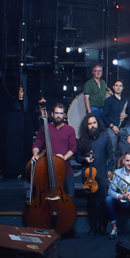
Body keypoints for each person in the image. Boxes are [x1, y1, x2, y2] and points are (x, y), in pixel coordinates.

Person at [31, 102, 78, 238]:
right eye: (56, 113)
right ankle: (47, 226)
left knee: (70, 201)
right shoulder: (44, 128)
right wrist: (35, 153)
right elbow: (38, 143)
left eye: (61, 113)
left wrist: (62, 158)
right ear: (52, 114)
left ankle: (69, 228)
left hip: (66, 171)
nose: (58, 116)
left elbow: (73, 148)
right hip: (48, 171)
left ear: (64, 115)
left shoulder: (70, 129)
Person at [76, 114, 113, 236]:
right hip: (89, 176)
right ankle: (93, 227)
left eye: (94, 123)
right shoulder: (82, 139)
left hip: (102, 174)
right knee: (91, 202)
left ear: (98, 123)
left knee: (104, 201)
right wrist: (85, 159)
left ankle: (102, 226)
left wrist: (110, 171)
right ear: (86, 126)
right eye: (90, 123)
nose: (92, 126)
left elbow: (110, 155)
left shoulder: (105, 136)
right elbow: (78, 157)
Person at [103, 79, 130, 159]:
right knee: (112, 151)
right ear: (113, 87)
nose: (118, 87)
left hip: (122, 128)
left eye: (120, 86)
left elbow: (129, 114)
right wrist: (112, 126)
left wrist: (125, 116)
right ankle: (111, 170)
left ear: (122, 88)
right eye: (116, 86)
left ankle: (125, 169)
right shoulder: (108, 101)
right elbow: (104, 116)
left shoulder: (125, 100)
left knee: (128, 150)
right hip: (112, 128)